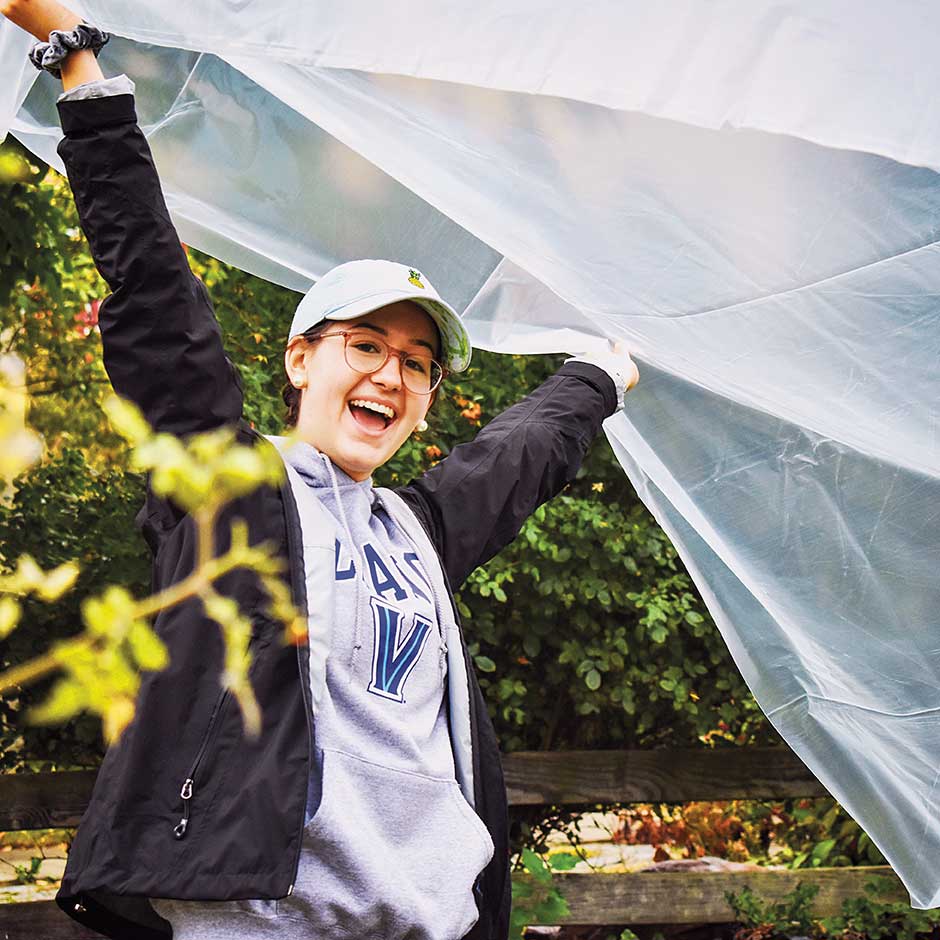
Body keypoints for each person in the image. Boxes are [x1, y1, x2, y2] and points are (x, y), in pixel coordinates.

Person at [2, 3, 639, 938]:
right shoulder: (232, 487)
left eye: (417, 364)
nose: (391, 375)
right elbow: (153, 289)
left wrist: (602, 375)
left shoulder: (417, 532)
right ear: (301, 359)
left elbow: (521, 453)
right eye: (366, 345)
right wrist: (77, 63)